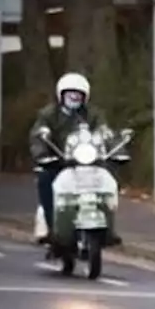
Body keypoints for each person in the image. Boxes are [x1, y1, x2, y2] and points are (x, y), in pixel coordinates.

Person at [29, 72, 113, 243]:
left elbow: (103, 129)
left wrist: (110, 140)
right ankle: (52, 226)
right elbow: (38, 134)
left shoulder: (93, 114)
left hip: (89, 160)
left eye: (78, 94)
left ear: (85, 96)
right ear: (61, 94)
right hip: (58, 160)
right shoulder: (48, 114)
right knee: (45, 179)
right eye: (70, 93)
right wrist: (42, 153)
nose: (74, 97)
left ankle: (108, 226)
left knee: (109, 178)